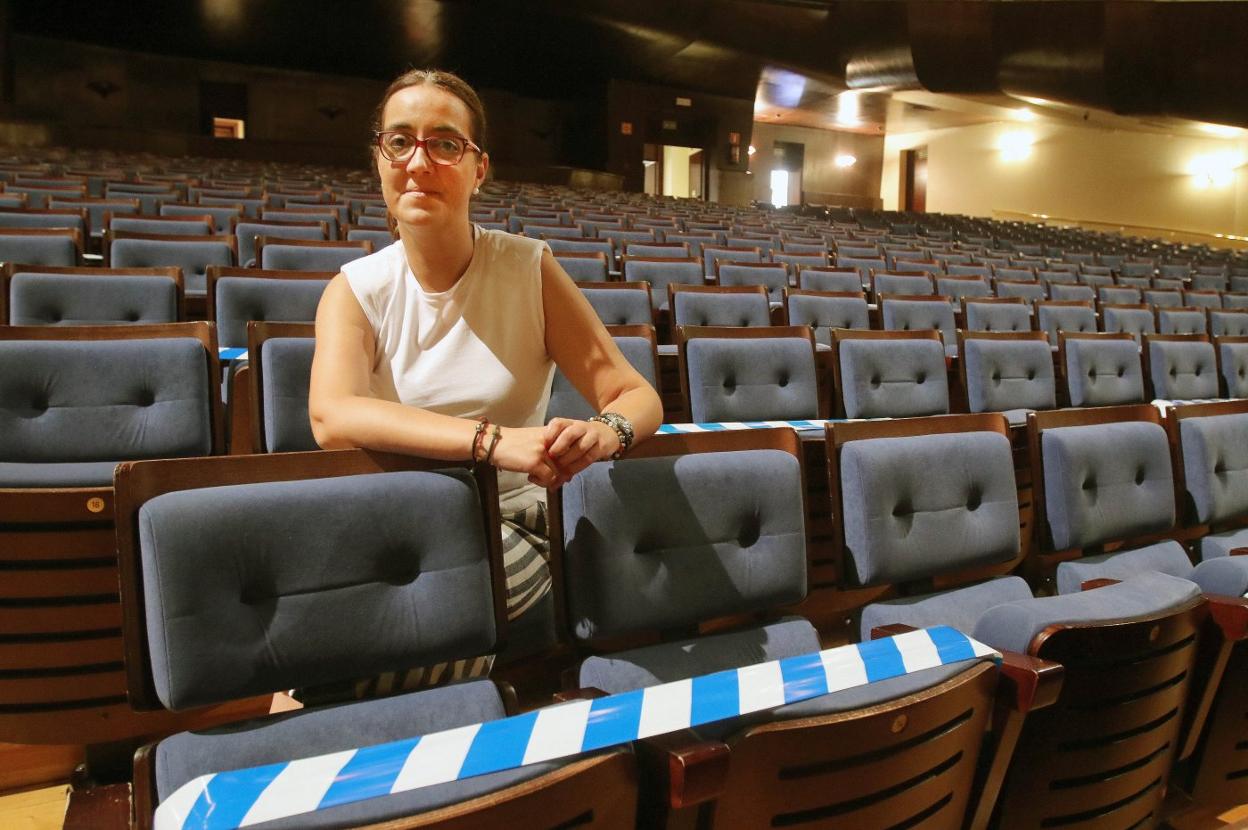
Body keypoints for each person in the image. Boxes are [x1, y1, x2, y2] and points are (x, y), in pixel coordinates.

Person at [309, 68, 662, 691]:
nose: (419, 161)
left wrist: (602, 434)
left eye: (445, 143)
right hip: (395, 526)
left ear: (478, 168)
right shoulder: (354, 289)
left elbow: (636, 396)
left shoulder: (528, 268)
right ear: (380, 160)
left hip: (510, 522)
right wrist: (491, 441)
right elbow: (332, 417)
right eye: (400, 141)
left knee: (401, 636)